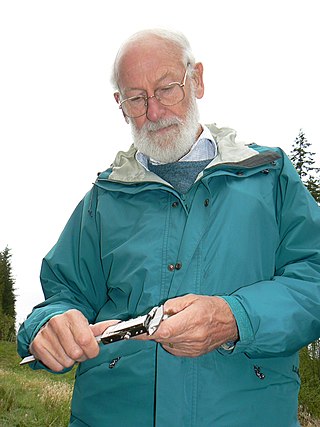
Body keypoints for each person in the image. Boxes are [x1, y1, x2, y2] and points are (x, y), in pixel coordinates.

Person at [18, 28, 320, 427]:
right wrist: (48, 326)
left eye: (166, 89)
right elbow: (63, 295)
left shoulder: (270, 176)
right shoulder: (102, 199)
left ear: (196, 80)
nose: (154, 112)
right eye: (137, 98)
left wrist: (234, 317)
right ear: (120, 105)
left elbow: (313, 277)